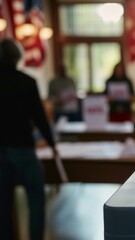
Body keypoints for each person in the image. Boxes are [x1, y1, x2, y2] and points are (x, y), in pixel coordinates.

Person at [0, 39, 58, 240]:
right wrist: (52, 143)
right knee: (36, 198)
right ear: (17, 57)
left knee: (3, 204)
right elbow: (39, 117)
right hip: (22, 147)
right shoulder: (27, 82)